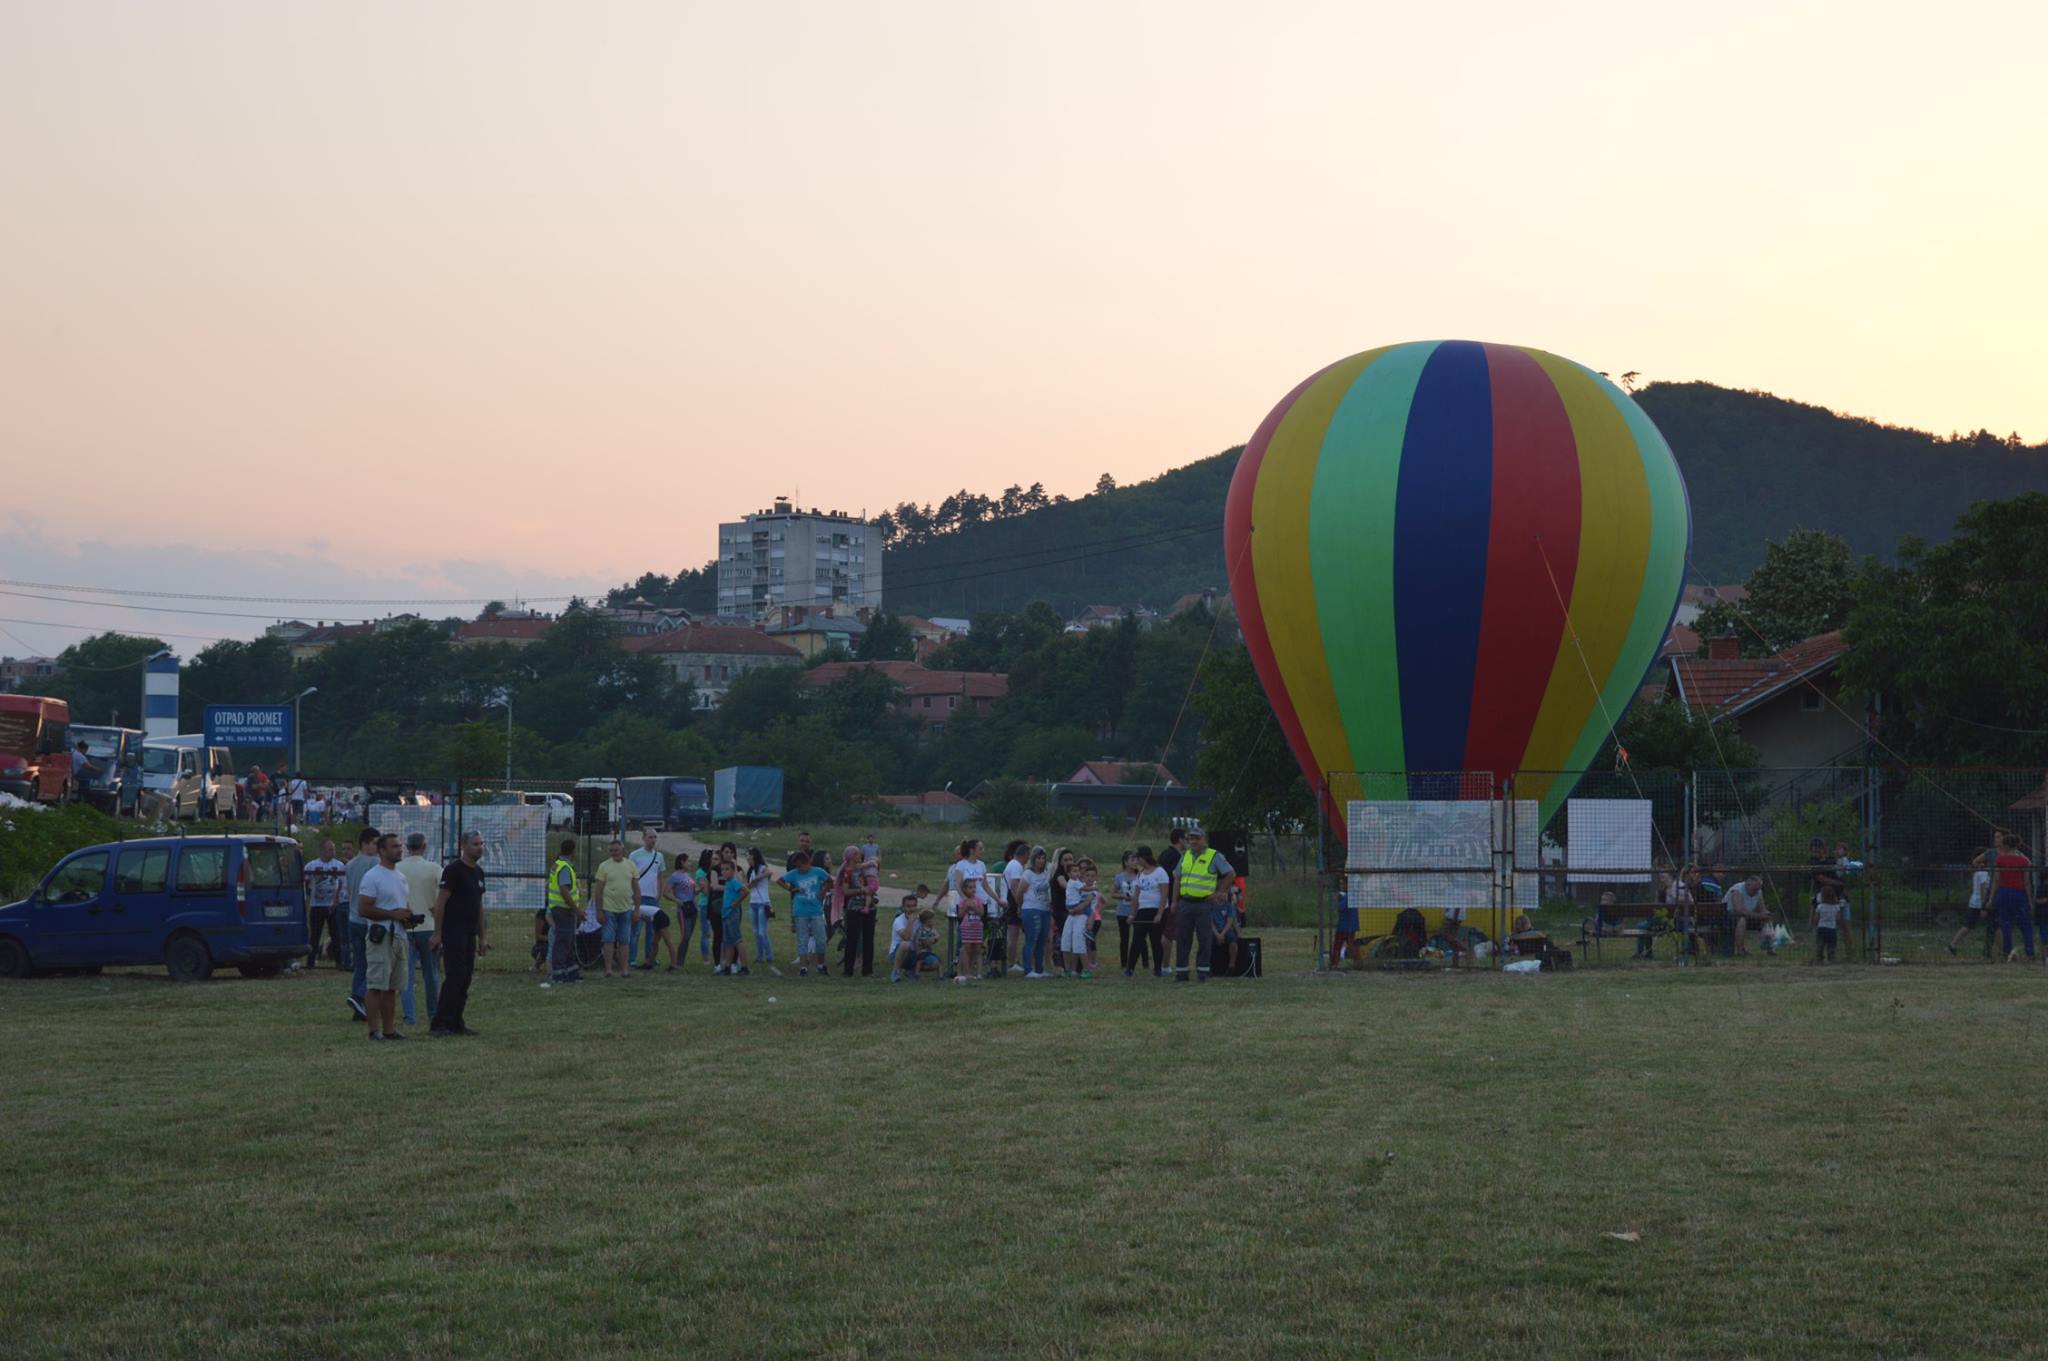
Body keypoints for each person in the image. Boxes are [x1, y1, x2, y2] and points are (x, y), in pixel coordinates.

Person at [355, 832, 422, 1042]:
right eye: (394, 847)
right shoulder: (373, 876)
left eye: (400, 846)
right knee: (376, 985)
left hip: (399, 937)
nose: (399, 849)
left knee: (393, 987)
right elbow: (363, 908)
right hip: (381, 937)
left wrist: (408, 917)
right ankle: (374, 1030)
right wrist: (392, 914)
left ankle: (389, 1030)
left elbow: (402, 905)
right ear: (381, 851)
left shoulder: (400, 877)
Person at [429, 829, 487, 1037]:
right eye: (475, 844)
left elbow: (479, 906)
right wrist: (437, 933)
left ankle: (456, 1021)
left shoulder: (478, 873)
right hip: (453, 932)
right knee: (455, 977)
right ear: (463, 846)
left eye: (481, 843)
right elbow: (441, 902)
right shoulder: (453, 870)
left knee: (466, 978)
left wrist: (482, 937)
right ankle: (440, 1022)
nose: (479, 847)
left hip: (469, 933)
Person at [1171, 827, 1235, 983]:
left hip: (1204, 904)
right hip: (1185, 902)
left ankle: (1203, 972)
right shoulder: (1185, 856)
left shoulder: (1214, 856)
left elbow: (1231, 873)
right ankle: (1182, 972)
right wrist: (1174, 901)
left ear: (1204, 840)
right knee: (1182, 938)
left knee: (1205, 939)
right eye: (1190, 838)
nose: (1193, 841)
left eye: (1196, 838)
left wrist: (1219, 892)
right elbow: (1177, 879)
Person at [397, 832, 444, 1026]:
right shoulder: (434, 869)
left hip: (404, 926)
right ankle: (433, 1012)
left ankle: (410, 1016)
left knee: (405, 976)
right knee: (431, 973)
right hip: (429, 926)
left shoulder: (397, 869)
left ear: (407, 847)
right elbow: (441, 900)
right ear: (424, 847)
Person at [344, 826, 381, 1019]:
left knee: (360, 963)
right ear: (365, 844)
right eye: (375, 843)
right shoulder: (375, 863)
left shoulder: (350, 865)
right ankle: (359, 996)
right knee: (374, 964)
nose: (378, 847)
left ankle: (360, 1008)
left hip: (353, 918)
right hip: (368, 921)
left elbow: (351, 891)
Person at [589, 839, 638, 979]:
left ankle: (624, 970)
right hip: (608, 909)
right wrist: (599, 911)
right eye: (611, 851)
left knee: (624, 940)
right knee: (608, 939)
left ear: (622, 850)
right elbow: (598, 891)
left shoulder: (631, 865)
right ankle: (608, 969)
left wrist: (637, 909)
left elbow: (636, 888)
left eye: (616, 850)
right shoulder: (604, 866)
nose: (613, 853)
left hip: (626, 909)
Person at [780, 850, 830, 975]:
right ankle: (803, 967)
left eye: (800, 865)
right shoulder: (794, 874)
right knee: (802, 939)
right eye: (796, 866)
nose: (798, 869)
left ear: (807, 863)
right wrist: (791, 888)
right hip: (800, 910)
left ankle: (821, 964)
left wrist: (823, 891)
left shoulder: (818, 871)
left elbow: (830, 881)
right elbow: (780, 880)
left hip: (815, 910)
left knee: (820, 939)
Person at [835, 845, 878, 977]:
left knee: (868, 939)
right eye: (858, 854)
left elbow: (873, 881)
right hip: (854, 908)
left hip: (869, 907)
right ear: (852, 856)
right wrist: (861, 890)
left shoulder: (865, 869)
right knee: (852, 939)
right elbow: (845, 891)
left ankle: (867, 970)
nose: (860, 856)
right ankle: (848, 970)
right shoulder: (847, 872)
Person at [1992, 832, 2036, 961]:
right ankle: (2030, 953)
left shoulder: (2000, 859)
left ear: (2005, 845)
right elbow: (2027, 882)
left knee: (2006, 925)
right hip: (2019, 893)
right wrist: (2030, 899)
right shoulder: (2023, 861)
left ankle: (2008, 953)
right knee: (2026, 925)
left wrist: (1991, 898)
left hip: (2004, 893)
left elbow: (1996, 880)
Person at [303, 839, 346, 968]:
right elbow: (305, 882)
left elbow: (341, 884)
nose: (332, 852)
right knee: (315, 935)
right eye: (330, 849)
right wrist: (309, 895)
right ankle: (310, 962)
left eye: (333, 849)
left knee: (335, 934)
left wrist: (336, 901)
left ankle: (339, 962)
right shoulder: (311, 865)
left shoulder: (339, 865)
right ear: (322, 850)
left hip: (332, 905)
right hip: (316, 905)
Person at [544, 838, 582, 986]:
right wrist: (576, 909)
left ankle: (571, 971)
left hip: (558, 908)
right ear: (573, 851)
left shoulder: (557, 865)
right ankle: (559, 972)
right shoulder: (565, 867)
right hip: (563, 910)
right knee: (563, 941)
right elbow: (564, 890)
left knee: (568, 940)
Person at [628, 829, 666, 971]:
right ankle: (631, 959)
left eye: (655, 837)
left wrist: (659, 893)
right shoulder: (635, 855)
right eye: (650, 837)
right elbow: (630, 876)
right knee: (636, 929)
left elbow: (659, 876)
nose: (653, 840)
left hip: (652, 897)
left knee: (652, 931)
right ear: (643, 838)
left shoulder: (659, 856)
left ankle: (650, 958)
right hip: (638, 897)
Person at [1132, 846, 1169, 977]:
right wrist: (1133, 914)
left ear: (1144, 858)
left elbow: (1164, 895)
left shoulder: (1160, 872)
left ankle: (1157, 968)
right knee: (1137, 939)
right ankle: (1130, 968)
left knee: (1155, 940)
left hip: (1156, 910)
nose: (1136, 860)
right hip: (1143, 910)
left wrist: (1159, 913)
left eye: (1138, 858)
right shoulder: (1140, 874)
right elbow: (1136, 896)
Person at [1948, 850, 1994, 956]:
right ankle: (2002, 950)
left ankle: (1952, 944)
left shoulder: (1977, 872)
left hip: (1974, 902)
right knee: (1993, 926)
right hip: (1980, 903)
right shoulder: (1984, 873)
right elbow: (1983, 889)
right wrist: (1983, 907)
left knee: (1968, 925)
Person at [1018, 846, 1054, 979]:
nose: (1041, 861)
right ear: (1033, 859)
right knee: (1031, 939)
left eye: (1043, 858)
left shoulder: (1045, 874)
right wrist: (1019, 907)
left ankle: (1039, 969)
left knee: (1042, 940)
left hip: (1044, 909)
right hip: (1031, 908)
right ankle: (1028, 969)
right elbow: (1020, 892)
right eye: (1038, 858)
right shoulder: (1028, 874)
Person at [1061, 857, 1099, 978]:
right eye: (1087, 875)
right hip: (1072, 916)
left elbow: (1085, 904)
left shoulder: (1094, 892)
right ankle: (1067, 970)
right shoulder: (1078, 885)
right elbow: (1071, 898)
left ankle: (1087, 969)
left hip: (1081, 917)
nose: (1089, 878)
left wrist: (1072, 910)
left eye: (1092, 876)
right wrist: (1070, 909)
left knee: (1079, 943)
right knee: (1065, 941)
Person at [1724, 873, 1774, 955]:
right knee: (1742, 920)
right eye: (1754, 889)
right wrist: (1759, 916)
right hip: (1729, 917)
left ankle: (1770, 948)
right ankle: (1740, 950)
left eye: (1758, 889)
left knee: (1766, 920)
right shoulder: (1737, 889)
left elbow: (1762, 909)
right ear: (1747, 884)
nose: (1756, 892)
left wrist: (1767, 914)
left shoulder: (1758, 892)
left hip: (1748, 916)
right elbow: (1738, 910)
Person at [1000, 839, 1030, 976]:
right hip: (1012, 902)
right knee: (1013, 933)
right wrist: (1019, 904)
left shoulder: (1012, 864)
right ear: (1024, 855)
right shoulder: (1016, 866)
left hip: (1011, 901)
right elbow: (1015, 887)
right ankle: (1011, 962)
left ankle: (1013, 960)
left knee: (1014, 933)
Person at [666, 855, 699, 970]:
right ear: (682, 862)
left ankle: (681, 961)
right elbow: (665, 892)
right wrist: (677, 900)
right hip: (683, 909)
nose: (690, 863)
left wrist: (700, 890)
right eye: (688, 861)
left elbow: (692, 892)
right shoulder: (674, 876)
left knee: (688, 936)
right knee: (685, 935)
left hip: (693, 907)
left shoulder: (688, 875)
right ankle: (678, 962)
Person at [718, 853, 749, 976]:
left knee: (737, 941)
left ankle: (744, 967)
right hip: (726, 914)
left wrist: (736, 903)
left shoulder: (734, 882)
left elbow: (746, 891)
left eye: (727, 869)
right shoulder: (728, 883)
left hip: (732, 915)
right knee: (728, 942)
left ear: (733, 870)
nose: (724, 872)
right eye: (722, 870)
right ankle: (727, 967)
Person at [746, 848, 776, 972]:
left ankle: (769, 955)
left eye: (749, 856)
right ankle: (759, 956)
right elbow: (749, 885)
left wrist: (757, 878)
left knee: (762, 932)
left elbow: (770, 873)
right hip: (753, 903)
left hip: (763, 903)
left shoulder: (762, 867)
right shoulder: (750, 871)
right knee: (755, 931)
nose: (747, 858)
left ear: (754, 857)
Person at [1113, 852, 1139, 976]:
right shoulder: (1119, 877)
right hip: (1122, 911)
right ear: (1125, 862)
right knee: (1124, 938)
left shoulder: (1140, 876)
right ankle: (1124, 962)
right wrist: (1123, 896)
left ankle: (1144, 962)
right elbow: (1113, 893)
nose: (1135, 862)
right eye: (1132, 859)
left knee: (1140, 938)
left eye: (1136, 859)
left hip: (1137, 911)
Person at [888, 891, 922, 982]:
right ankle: (896, 971)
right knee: (905, 944)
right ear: (903, 907)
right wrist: (910, 921)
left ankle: (910, 971)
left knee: (933, 962)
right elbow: (906, 937)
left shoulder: (919, 920)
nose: (911, 909)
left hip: (913, 951)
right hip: (896, 954)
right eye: (908, 906)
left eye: (914, 906)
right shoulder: (898, 921)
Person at [1811, 882, 1844, 964]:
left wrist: (1814, 924)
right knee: (1831, 944)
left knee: (1820, 944)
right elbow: (1838, 918)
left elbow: (1816, 918)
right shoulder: (1836, 907)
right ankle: (1831, 958)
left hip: (1821, 927)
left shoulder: (1820, 906)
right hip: (1832, 928)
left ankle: (1820, 958)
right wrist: (1837, 924)